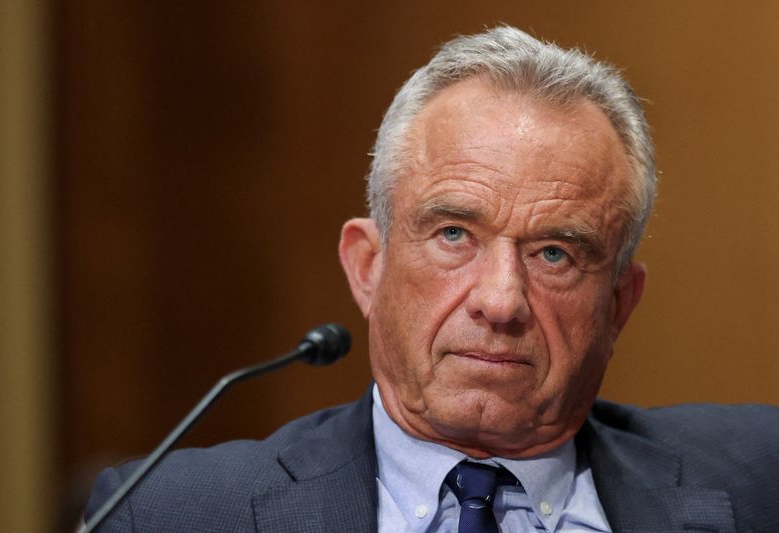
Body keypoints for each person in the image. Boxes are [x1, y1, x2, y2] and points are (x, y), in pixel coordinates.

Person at [84, 26, 779, 532]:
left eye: (556, 254)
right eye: (454, 235)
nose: (501, 300)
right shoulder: (173, 513)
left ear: (620, 304)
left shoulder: (758, 481)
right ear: (367, 266)